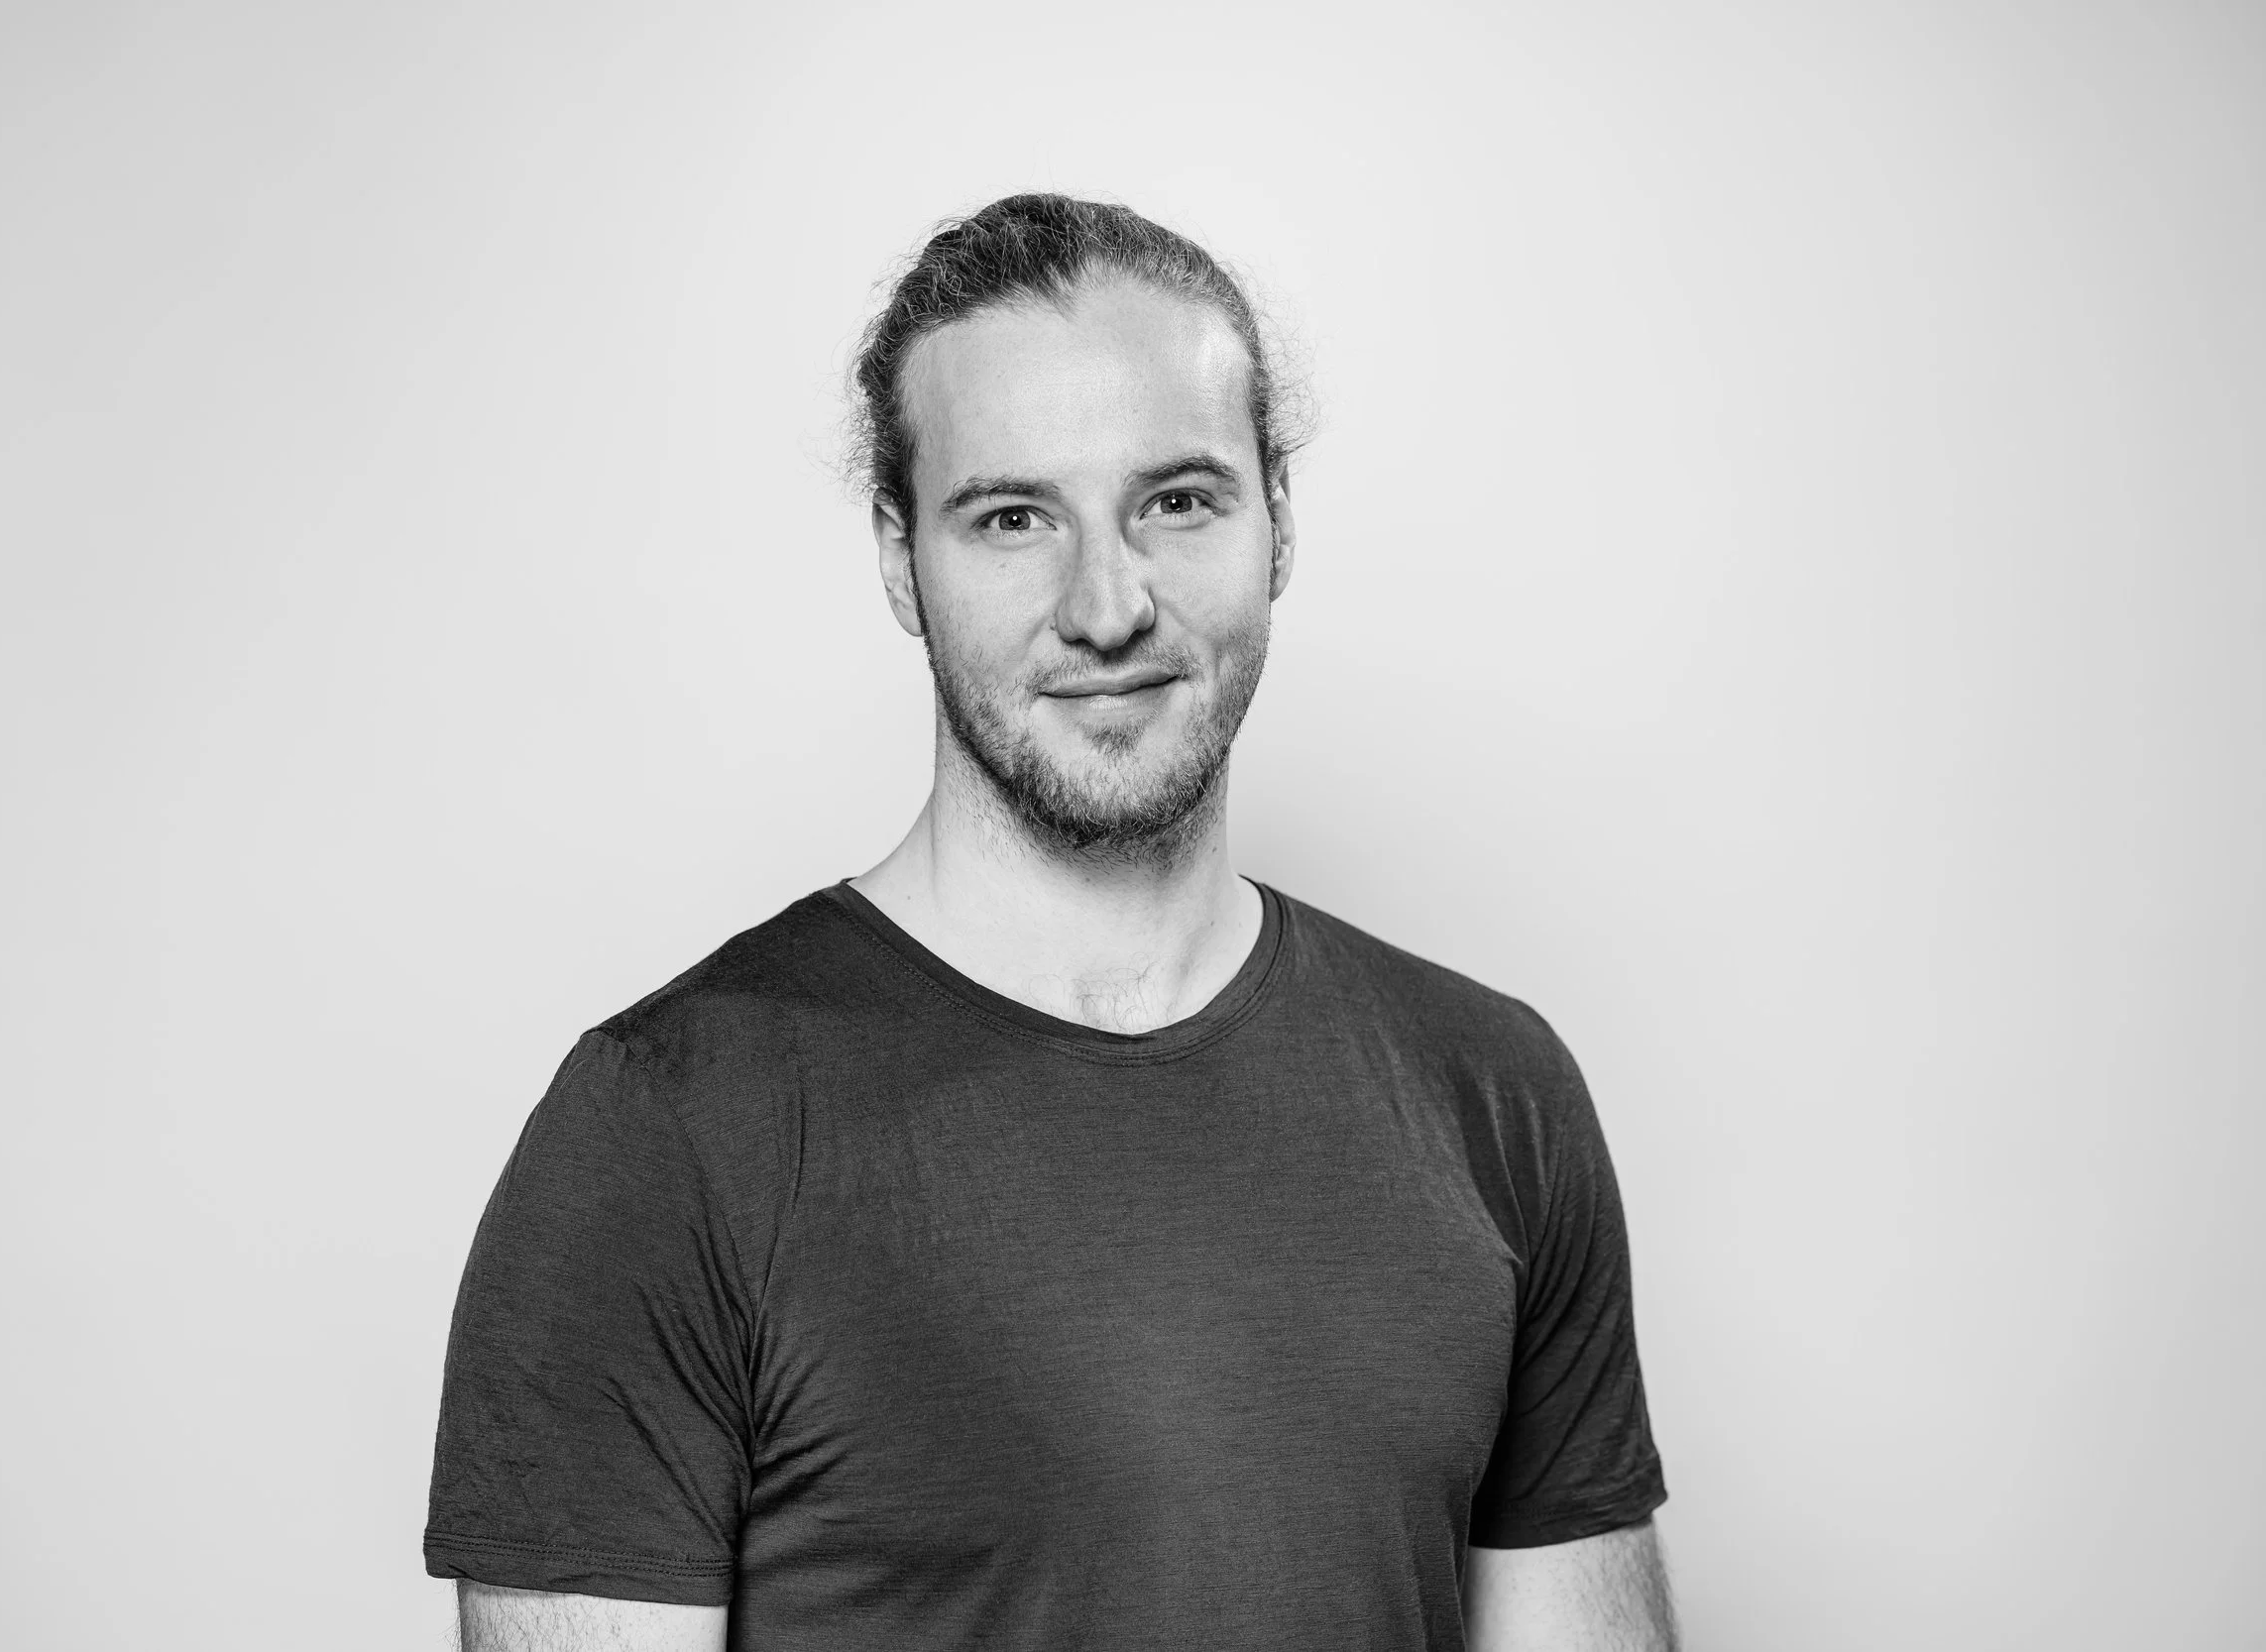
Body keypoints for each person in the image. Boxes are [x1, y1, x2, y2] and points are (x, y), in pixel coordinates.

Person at [424, 193, 1676, 1651]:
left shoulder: (1495, 1092)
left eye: (1178, 499)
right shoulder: (666, 1133)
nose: (1106, 605)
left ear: (1279, 519)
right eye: (1013, 517)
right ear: (901, 556)